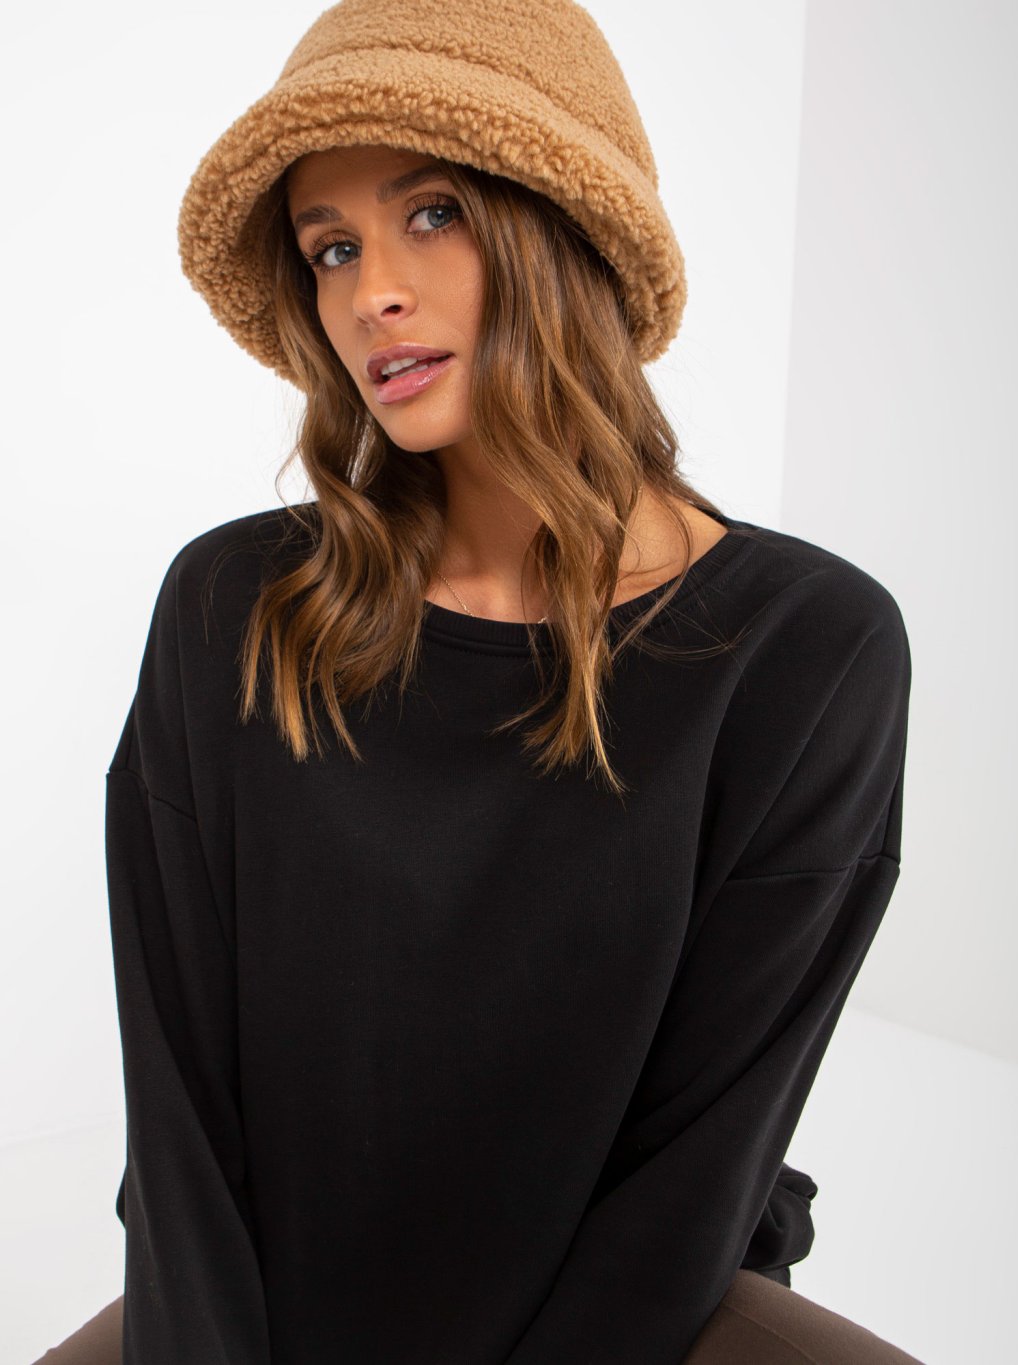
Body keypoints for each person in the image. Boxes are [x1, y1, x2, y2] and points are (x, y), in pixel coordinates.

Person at [33, 1, 926, 1361]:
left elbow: (695, 1169)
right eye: (331, 247)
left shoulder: (807, 649)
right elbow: (179, 1113)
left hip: (631, 1314)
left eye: (433, 213)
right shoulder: (234, 607)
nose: (368, 294)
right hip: (265, 1304)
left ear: (567, 228)